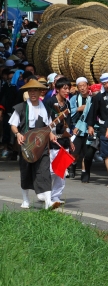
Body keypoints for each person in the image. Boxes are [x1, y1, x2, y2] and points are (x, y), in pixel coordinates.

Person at [9, 79, 59, 209]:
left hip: (42, 144)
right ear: (28, 92)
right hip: (26, 142)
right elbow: (13, 125)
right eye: (30, 90)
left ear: (39, 92)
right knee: (26, 171)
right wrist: (18, 134)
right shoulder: (21, 107)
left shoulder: (46, 109)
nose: (33, 93)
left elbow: (49, 126)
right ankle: (25, 199)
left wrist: (52, 134)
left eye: (35, 90)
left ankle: (48, 202)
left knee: (44, 170)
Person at [43, 76, 73, 204]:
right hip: (52, 141)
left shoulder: (67, 103)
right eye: (64, 88)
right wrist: (49, 135)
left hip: (64, 140)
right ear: (58, 89)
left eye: (68, 88)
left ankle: (56, 196)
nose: (67, 91)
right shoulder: (49, 102)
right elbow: (45, 121)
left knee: (61, 171)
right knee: (51, 170)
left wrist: (70, 140)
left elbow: (68, 124)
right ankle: (46, 194)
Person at [70, 77, 96, 183]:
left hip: (88, 128)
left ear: (88, 85)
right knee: (75, 152)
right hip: (77, 127)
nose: (82, 88)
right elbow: (69, 111)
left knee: (86, 154)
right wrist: (78, 109)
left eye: (84, 85)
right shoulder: (74, 99)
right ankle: (73, 166)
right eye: (79, 86)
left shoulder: (92, 97)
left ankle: (85, 173)